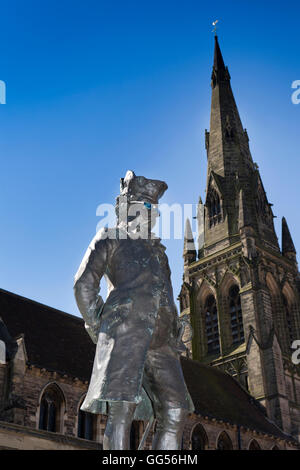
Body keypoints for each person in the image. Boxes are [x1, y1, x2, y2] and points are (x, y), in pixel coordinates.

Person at [74, 170, 194, 450]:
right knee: (122, 409)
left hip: (162, 343)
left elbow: (166, 295)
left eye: (155, 208)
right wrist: (101, 326)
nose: (154, 214)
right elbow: (83, 286)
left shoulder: (159, 252)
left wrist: (177, 326)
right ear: (127, 208)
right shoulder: (110, 238)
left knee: (175, 409)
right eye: (147, 206)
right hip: (125, 335)